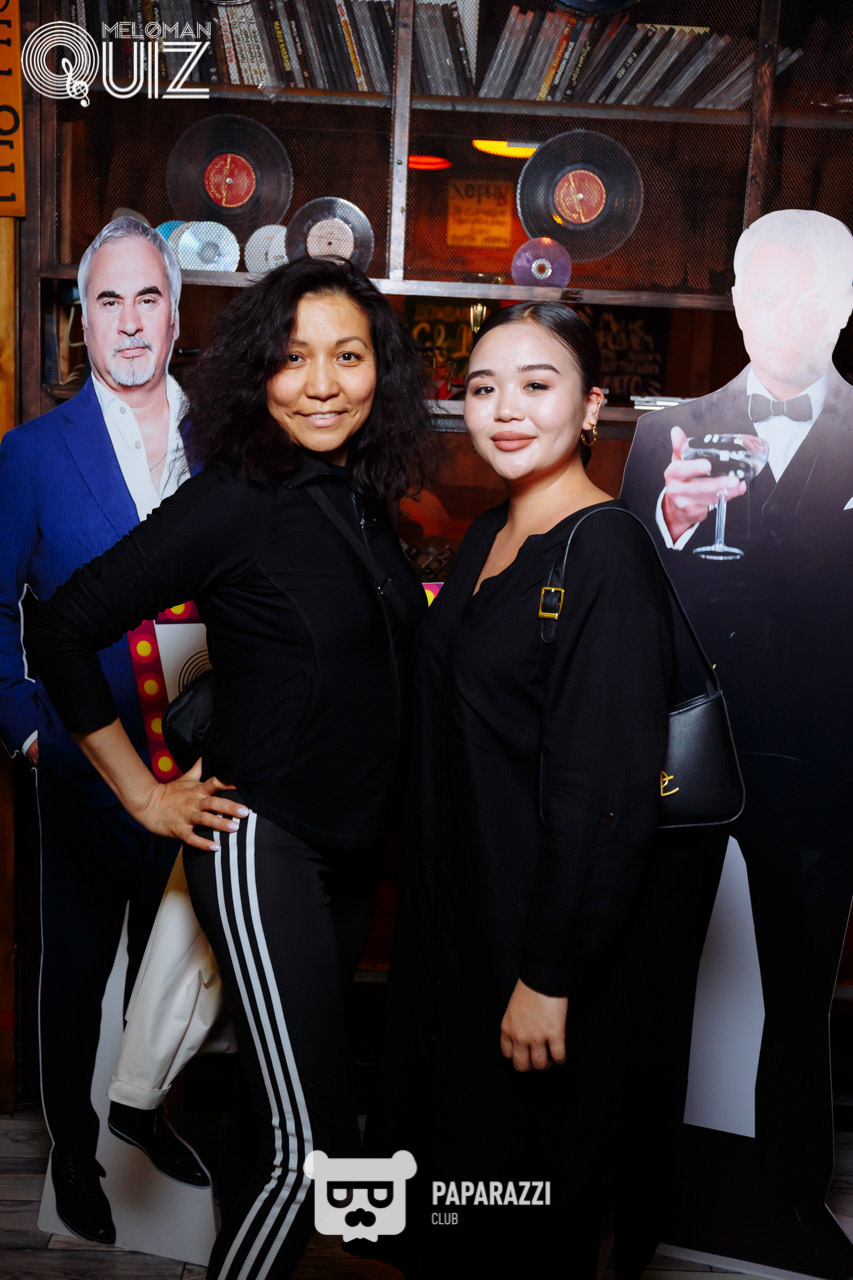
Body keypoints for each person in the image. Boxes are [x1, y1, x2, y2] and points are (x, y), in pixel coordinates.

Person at [27, 255, 434, 1280]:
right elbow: (62, 628)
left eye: (348, 356)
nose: (323, 384)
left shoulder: (359, 494)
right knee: (311, 1152)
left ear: (380, 370)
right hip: (264, 845)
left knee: (276, 1117)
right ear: (257, 371)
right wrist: (141, 791)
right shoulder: (234, 498)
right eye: (294, 359)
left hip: (347, 857)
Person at [372, 302, 712, 1278]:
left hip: (537, 948)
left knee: (521, 1215)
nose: (505, 408)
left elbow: (605, 796)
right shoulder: (490, 532)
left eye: (536, 383)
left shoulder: (603, 551)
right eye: (483, 388)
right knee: (454, 1206)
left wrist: (548, 976)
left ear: (593, 406)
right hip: (461, 929)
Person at [619, 209, 853, 1275]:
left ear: (843, 307)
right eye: (766, 292)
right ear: (735, 302)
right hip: (684, 755)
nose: (786, 317)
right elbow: (626, 601)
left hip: (823, 767)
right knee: (651, 978)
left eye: (811, 295)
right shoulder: (667, 433)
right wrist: (668, 523)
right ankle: (632, 1196)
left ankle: (794, 1202)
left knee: (799, 997)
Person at [0, 216, 209, 1245]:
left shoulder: (229, 444)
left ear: (177, 314)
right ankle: (74, 1152)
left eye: (147, 298)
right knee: (76, 971)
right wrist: (28, 729)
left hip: (204, 767)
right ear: (81, 320)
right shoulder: (32, 453)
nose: (128, 322)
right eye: (107, 300)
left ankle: (146, 1112)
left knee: (178, 963)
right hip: (84, 761)